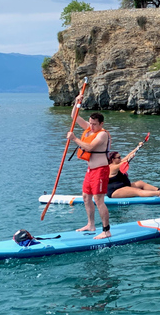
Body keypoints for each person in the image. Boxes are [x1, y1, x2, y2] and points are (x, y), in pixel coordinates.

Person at [67, 95, 111, 239]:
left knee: (99, 200)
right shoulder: (89, 129)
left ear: (101, 124)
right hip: (90, 170)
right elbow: (74, 115)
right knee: (86, 197)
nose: (91, 126)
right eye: (90, 123)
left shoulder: (102, 135)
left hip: (100, 170)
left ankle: (106, 230)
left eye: (94, 124)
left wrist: (75, 139)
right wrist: (77, 101)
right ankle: (91, 225)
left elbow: (90, 147)